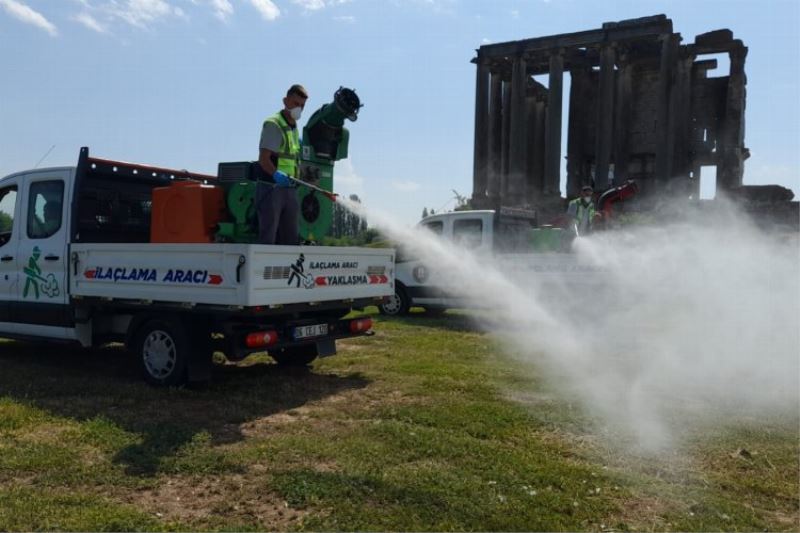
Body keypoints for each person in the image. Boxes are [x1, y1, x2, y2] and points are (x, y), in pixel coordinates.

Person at [255, 84, 308, 245]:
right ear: (286, 101)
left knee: (290, 239)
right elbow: (264, 159)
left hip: (289, 189)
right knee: (269, 237)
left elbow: (292, 158)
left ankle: (287, 270)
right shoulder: (274, 124)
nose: (299, 108)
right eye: (296, 103)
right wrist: (276, 175)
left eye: (302, 106)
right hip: (271, 188)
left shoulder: (294, 128)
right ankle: (263, 269)